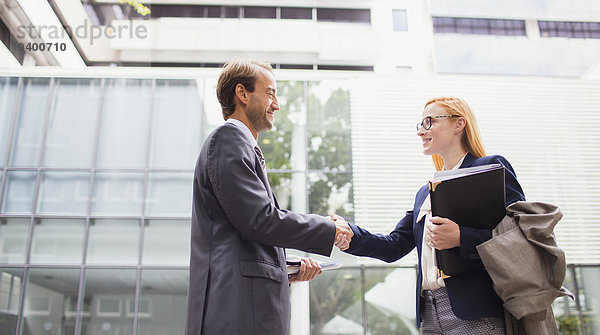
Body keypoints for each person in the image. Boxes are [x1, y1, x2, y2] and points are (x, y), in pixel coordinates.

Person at [185, 59, 353, 335]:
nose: (276, 104)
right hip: (236, 313)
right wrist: (329, 228)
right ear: (242, 93)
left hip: (244, 310)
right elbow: (260, 220)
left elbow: (244, 235)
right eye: (271, 93)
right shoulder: (228, 139)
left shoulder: (239, 146)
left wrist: (286, 268)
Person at [338, 97, 526, 334]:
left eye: (429, 122)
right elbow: (394, 246)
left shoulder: (489, 168)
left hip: (474, 310)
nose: (420, 132)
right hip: (429, 312)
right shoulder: (425, 193)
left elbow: (519, 236)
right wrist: (349, 234)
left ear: (459, 124)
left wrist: (461, 238)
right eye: (420, 124)